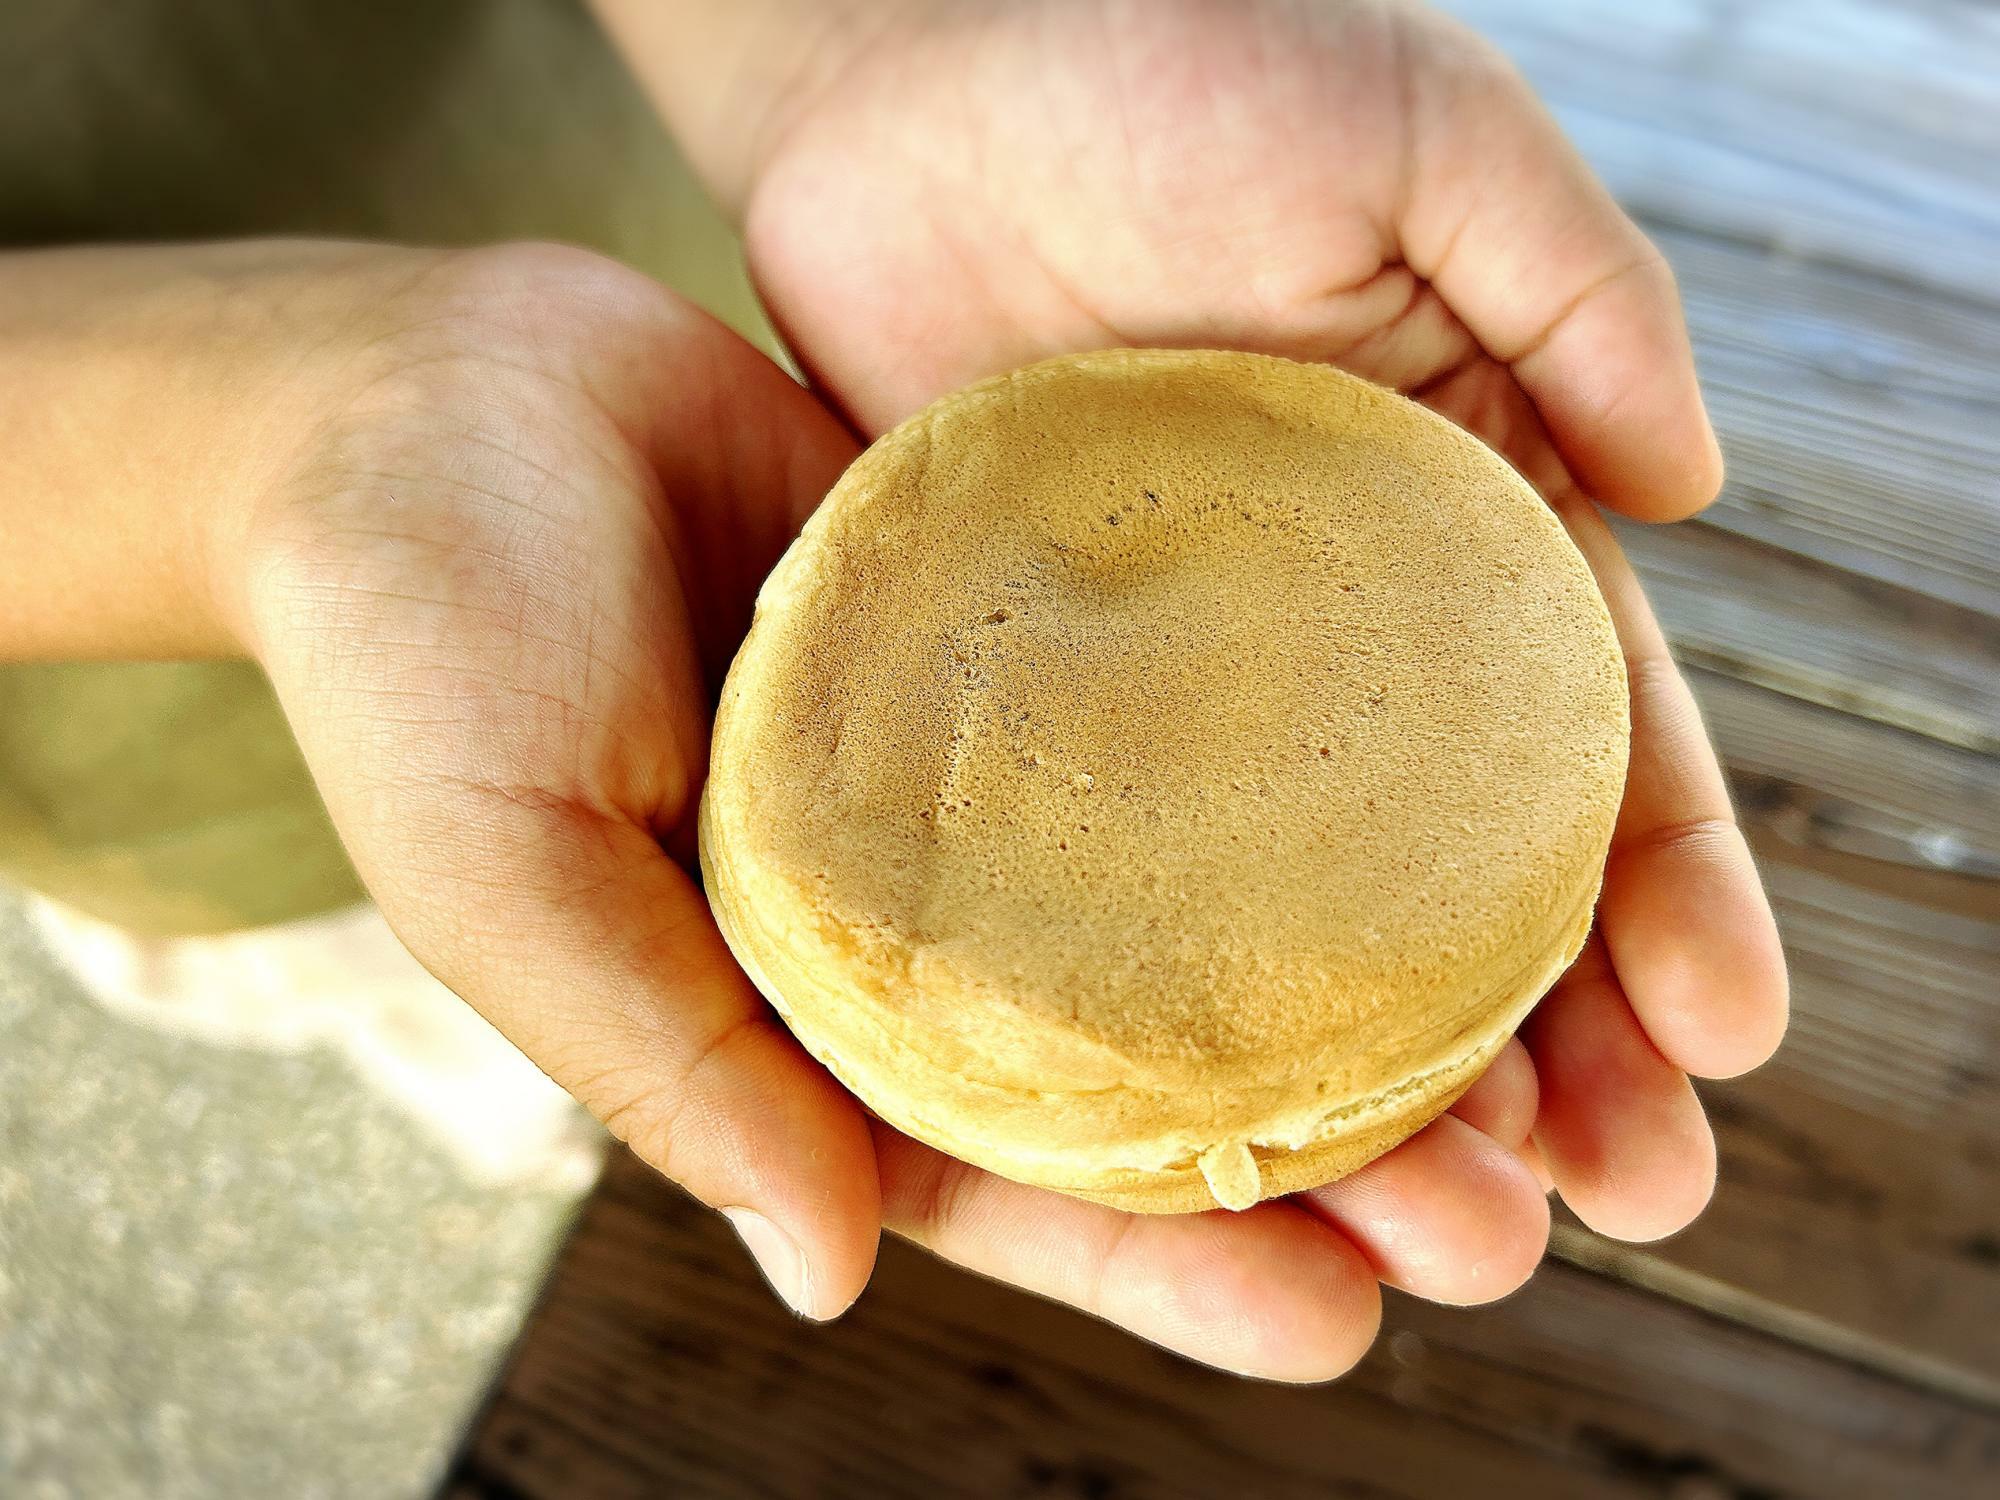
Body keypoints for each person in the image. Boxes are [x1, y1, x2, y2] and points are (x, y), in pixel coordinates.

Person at [0, 0, 1787, 1382]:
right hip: (142, 624)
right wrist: (266, 443)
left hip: (724, 248)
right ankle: (517, 1124)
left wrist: (855, 45)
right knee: (475, 984)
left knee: (602, 976)